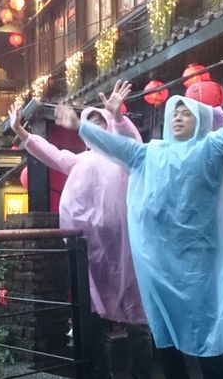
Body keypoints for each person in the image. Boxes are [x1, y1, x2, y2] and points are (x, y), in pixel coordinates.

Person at [54, 63, 223, 379]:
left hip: (199, 268)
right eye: (175, 112)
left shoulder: (212, 149)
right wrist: (80, 125)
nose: (178, 117)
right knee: (167, 344)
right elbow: (117, 145)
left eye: (187, 113)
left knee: (206, 343)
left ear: (201, 121)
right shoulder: (150, 154)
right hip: (157, 270)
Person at [8, 81, 153, 379]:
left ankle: (141, 375)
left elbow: (133, 143)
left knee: (137, 319)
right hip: (91, 252)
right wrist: (22, 132)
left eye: (101, 121)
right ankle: (100, 374)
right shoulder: (78, 161)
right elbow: (50, 152)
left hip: (126, 249)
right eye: (91, 122)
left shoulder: (124, 156)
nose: (97, 126)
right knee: (93, 319)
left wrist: (118, 116)